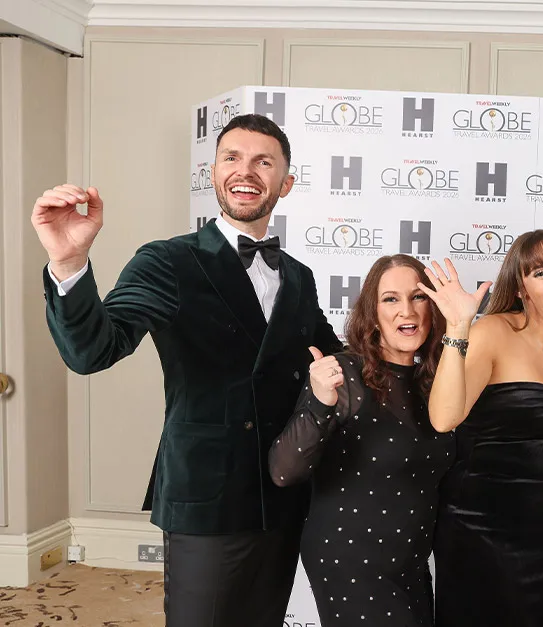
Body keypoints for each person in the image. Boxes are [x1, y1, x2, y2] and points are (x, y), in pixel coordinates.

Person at [33, 113, 343, 627]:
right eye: (232, 158)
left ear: (285, 183)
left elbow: (335, 360)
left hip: (284, 489)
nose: (246, 171)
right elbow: (92, 351)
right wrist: (68, 264)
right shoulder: (168, 260)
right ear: (213, 172)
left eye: (264, 162)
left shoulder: (300, 277)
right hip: (206, 495)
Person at [419, 231, 543, 627]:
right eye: (540, 273)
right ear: (520, 289)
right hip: (475, 527)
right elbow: (444, 418)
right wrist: (459, 327)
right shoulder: (493, 332)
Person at [268, 254, 453, 626]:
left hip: (411, 564)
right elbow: (283, 471)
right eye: (390, 299)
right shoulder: (344, 374)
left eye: (418, 297)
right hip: (351, 561)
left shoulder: (434, 383)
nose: (407, 310)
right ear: (372, 313)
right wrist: (320, 403)